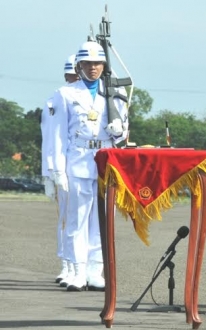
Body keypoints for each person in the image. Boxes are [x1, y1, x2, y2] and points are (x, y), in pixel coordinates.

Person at [49, 41, 129, 291]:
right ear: (79, 66)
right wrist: (57, 169)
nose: (92, 68)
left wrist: (118, 131)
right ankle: (77, 270)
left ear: (104, 65)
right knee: (77, 219)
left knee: (103, 220)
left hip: (106, 159)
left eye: (97, 63)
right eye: (87, 63)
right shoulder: (66, 94)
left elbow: (123, 129)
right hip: (78, 158)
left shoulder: (115, 92)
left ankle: (96, 270)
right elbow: (57, 134)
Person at [42, 54, 80, 286]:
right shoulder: (57, 100)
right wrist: (48, 172)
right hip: (63, 168)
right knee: (66, 219)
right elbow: (49, 139)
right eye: (73, 76)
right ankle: (67, 264)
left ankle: (86, 267)